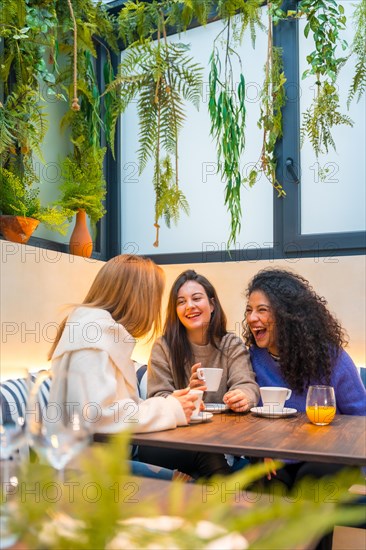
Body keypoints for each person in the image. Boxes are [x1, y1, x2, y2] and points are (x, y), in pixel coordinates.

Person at [47, 254, 198, 480]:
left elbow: (119, 408)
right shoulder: (92, 339)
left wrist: (170, 403)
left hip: (104, 459)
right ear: (137, 297)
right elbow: (99, 416)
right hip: (86, 472)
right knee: (191, 479)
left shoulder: (99, 333)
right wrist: (171, 409)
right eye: (154, 297)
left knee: (200, 459)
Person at [242, 267, 366, 490]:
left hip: (329, 454)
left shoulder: (331, 357)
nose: (252, 318)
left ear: (287, 315)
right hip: (276, 455)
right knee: (264, 482)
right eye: (249, 310)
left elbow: (360, 416)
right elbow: (248, 420)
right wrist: (260, 449)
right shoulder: (252, 358)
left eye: (262, 310)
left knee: (312, 480)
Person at [139, 269, 259, 478]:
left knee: (207, 461)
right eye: (181, 302)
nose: (190, 306)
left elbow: (247, 384)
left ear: (212, 305)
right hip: (174, 439)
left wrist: (242, 397)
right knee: (207, 455)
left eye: (196, 298)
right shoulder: (164, 346)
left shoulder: (230, 344)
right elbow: (157, 398)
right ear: (175, 310)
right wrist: (188, 396)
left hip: (220, 437)